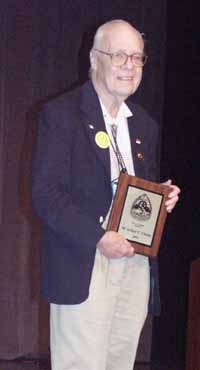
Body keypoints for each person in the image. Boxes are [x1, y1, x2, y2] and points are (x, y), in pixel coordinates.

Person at [32, 19, 180, 370]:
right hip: (85, 261)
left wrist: (162, 199)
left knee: (120, 363)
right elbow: (45, 195)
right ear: (94, 59)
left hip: (134, 262)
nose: (130, 66)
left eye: (138, 58)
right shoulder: (62, 115)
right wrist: (99, 237)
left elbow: (137, 192)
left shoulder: (143, 123)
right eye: (119, 56)